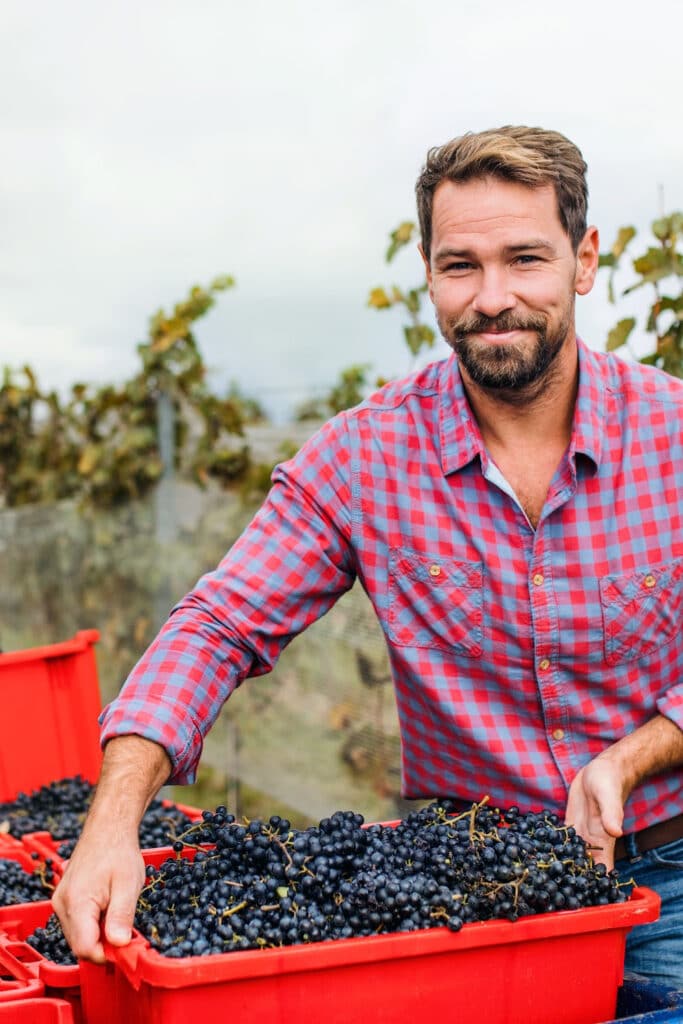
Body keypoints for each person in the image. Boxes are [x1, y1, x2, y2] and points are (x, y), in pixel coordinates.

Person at [54, 125, 683, 984]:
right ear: (427, 272)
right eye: (460, 264)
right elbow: (218, 623)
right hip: (469, 897)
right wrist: (114, 819)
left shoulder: (673, 435)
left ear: (583, 260)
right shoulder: (365, 456)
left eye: (525, 259)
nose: (491, 296)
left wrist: (630, 755)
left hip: (671, 876)